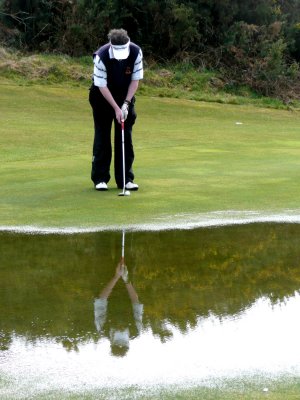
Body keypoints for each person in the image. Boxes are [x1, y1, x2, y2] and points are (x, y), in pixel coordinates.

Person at [89, 28, 143, 191]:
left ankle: (126, 179)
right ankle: (100, 178)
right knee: (102, 135)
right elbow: (102, 86)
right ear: (111, 45)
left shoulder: (135, 52)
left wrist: (126, 104)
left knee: (125, 136)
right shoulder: (101, 56)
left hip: (124, 95)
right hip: (102, 97)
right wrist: (116, 108)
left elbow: (135, 80)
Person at [94, 262, 143, 357]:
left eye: (118, 328)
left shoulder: (102, 327)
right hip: (129, 288)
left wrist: (116, 277)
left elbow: (101, 299)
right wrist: (126, 280)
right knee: (129, 261)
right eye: (122, 327)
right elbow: (136, 301)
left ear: (112, 338)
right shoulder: (135, 330)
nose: (120, 326)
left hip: (107, 286)